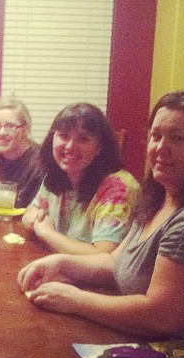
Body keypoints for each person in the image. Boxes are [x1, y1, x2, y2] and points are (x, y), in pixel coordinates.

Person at [18, 90, 184, 356]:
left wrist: (75, 300)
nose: (161, 148)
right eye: (156, 136)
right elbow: (115, 261)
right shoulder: (159, 199)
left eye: (178, 138)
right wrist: (61, 263)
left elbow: (161, 316)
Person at [22, 102, 138, 254]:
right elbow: (31, 210)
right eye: (63, 136)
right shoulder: (57, 173)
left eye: (83, 139)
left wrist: (47, 232)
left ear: (99, 147)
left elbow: (103, 256)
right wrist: (35, 218)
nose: (70, 146)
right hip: (62, 269)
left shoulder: (118, 187)